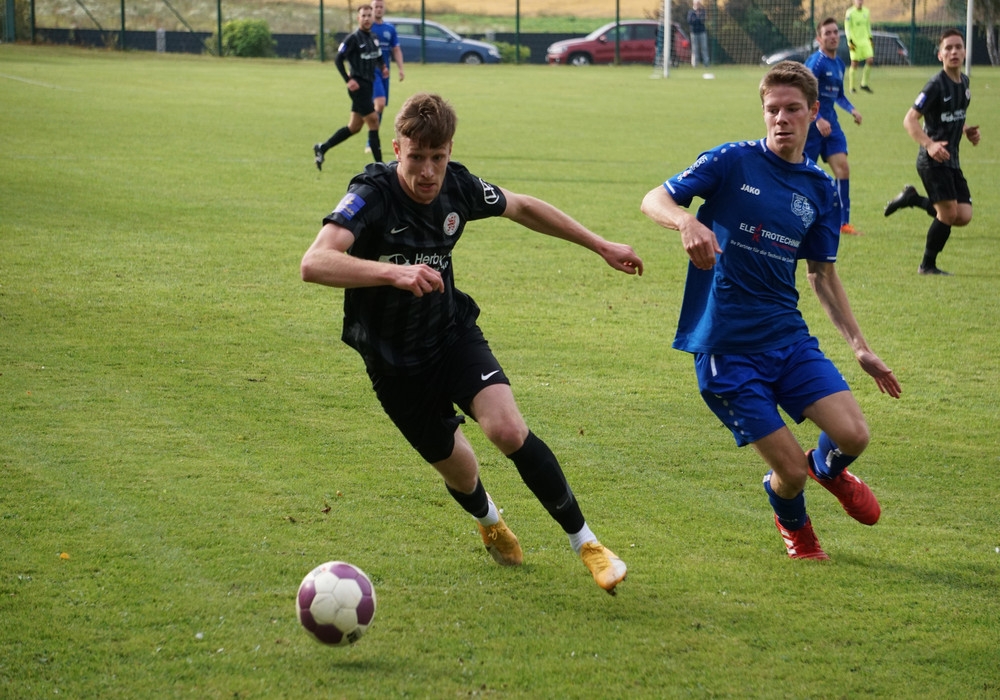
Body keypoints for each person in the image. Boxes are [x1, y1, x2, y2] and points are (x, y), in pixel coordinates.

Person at [301, 92, 643, 593]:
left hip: (450, 336)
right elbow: (314, 262)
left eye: (437, 158)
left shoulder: (458, 186)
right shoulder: (371, 194)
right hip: (392, 361)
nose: (427, 172)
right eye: (416, 158)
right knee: (461, 471)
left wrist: (600, 244)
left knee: (507, 429)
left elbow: (522, 206)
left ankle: (587, 544)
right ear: (396, 149)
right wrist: (392, 274)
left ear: (450, 152)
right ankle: (490, 521)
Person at [640, 61, 901, 560]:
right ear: (763, 112)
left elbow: (822, 274)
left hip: (787, 338)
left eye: (793, 109)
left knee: (853, 435)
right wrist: (685, 222)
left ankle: (828, 468)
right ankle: (796, 529)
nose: (782, 119)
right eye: (773, 109)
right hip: (727, 349)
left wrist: (860, 347)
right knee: (790, 474)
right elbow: (654, 198)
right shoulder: (732, 161)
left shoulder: (820, 189)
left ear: (814, 112)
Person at [883, 29, 980, 276]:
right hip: (932, 160)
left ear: (965, 51)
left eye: (958, 47)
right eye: (948, 48)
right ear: (940, 55)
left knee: (963, 215)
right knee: (948, 213)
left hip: (952, 159)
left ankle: (912, 199)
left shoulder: (965, 83)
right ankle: (927, 265)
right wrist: (930, 145)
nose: (954, 52)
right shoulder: (935, 85)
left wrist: (966, 130)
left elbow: (952, 116)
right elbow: (910, 119)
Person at [804, 17, 864, 236]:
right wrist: (817, 118)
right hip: (812, 127)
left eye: (835, 32)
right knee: (805, 173)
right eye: (827, 33)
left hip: (832, 125)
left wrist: (852, 109)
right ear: (819, 38)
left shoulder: (839, 64)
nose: (832, 36)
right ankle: (801, 218)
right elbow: (805, 93)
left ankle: (842, 223)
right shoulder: (816, 63)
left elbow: (838, 95)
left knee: (843, 169)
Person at [314, 4, 388, 170]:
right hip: (358, 87)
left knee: (354, 127)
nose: (367, 18)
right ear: (358, 18)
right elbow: (338, 59)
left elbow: (378, 55)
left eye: (369, 15)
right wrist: (348, 80)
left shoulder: (373, 37)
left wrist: (383, 67)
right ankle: (380, 168)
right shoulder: (353, 38)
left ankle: (322, 148)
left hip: (368, 86)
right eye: (364, 16)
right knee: (374, 121)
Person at [365, 0, 404, 155]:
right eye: (376, 7)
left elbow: (396, 49)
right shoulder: (367, 27)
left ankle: (371, 139)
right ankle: (371, 141)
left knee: (378, 107)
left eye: (381, 7)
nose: (378, 9)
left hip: (385, 72)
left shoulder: (390, 29)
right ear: (371, 9)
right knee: (379, 104)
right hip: (371, 72)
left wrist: (401, 69)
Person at [844, 0, 874, 93]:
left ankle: (864, 84)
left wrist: (870, 37)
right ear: (854, 1)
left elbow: (868, 25)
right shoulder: (850, 12)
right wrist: (850, 40)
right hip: (854, 41)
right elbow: (847, 27)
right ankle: (852, 87)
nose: (859, 2)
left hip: (865, 41)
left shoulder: (866, 11)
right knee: (854, 63)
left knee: (870, 60)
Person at [688, 0, 710, 68]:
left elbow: (702, 20)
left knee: (704, 48)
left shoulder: (703, 11)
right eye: (696, 3)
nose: (698, 5)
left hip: (702, 32)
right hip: (694, 33)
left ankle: (706, 63)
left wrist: (696, 19)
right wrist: (697, 19)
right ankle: (695, 64)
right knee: (695, 49)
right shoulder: (691, 12)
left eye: (698, 3)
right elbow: (689, 21)